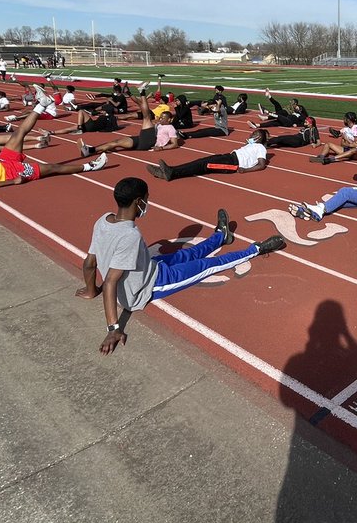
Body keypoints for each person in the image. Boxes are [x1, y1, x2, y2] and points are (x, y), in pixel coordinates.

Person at [77, 178, 288, 355]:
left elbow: (89, 263)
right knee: (208, 265)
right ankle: (256, 249)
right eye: (147, 200)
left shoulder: (103, 220)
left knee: (187, 254)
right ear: (138, 202)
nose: (147, 204)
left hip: (149, 267)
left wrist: (91, 289)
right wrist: (113, 328)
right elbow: (112, 280)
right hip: (151, 285)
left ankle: (221, 236)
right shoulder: (130, 235)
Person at [0, 107, 107, 189]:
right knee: (53, 168)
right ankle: (89, 166)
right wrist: (12, 181)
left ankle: (40, 105)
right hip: (12, 172)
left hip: (3, 163)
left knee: (18, 133)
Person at [148, 129, 269, 181]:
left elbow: (262, 164)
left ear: (259, 138)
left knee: (203, 165)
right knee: (202, 163)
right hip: (229, 157)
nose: (251, 135)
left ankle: (171, 172)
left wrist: (246, 170)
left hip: (233, 163)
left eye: (255, 134)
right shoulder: (251, 145)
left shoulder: (260, 147)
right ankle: (170, 171)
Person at [79, 96, 178, 157]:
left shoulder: (171, 128)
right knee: (116, 142)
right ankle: (90, 150)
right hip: (142, 139)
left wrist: (161, 148)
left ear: (169, 119)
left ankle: (142, 92)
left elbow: (174, 144)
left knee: (146, 116)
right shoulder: (158, 124)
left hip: (150, 142)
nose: (160, 119)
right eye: (160, 117)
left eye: (163, 118)